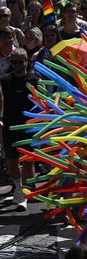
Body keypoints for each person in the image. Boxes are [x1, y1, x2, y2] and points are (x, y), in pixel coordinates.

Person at [0, 48, 38, 211]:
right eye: (14, 62)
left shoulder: (34, 80)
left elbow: (39, 102)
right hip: (10, 126)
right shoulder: (5, 80)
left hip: (28, 127)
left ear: (26, 61)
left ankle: (25, 195)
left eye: (20, 62)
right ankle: (19, 188)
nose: (17, 65)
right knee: (11, 161)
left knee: (29, 162)